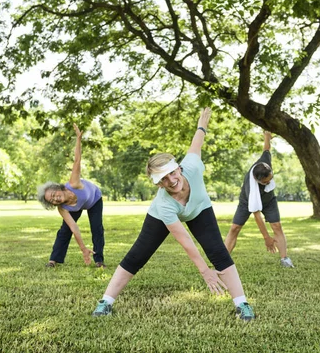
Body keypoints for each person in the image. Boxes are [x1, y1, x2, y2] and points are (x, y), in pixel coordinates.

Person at [91, 108, 255, 321]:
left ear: (178, 168)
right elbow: (185, 241)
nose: (171, 181)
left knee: (219, 252)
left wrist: (202, 125)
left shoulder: (193, 167)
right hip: (160, 217)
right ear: (158, 183)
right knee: (137, 255)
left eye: (172, 173)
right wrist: (205, 271)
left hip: (200, 208)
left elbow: (196, 144)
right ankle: (106, 301)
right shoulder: (164, 204)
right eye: (163, 180)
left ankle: (242, 304)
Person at [37, 124, 105, 268]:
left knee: (97, 228)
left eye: (54, 194)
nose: (55, 199)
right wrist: (83, 249)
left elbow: (77, 160)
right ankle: (53, 260)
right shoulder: (62, 208)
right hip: (76, 207)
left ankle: (99, 260)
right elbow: (74, 228)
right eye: (52, 200)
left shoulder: (73, 183)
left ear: (59, 188)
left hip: (94, 199)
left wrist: (78, 139)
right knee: (64, 231)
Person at [224, 130, 294, 268]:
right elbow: (257, 215)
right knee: (234, 228)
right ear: (258, 180)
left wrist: (267, 136)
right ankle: (223, 262)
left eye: (270, 179)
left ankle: (285, 259)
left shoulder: (265, 163)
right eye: (266, 182)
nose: (269, 183)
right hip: (246, 202)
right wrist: (266, 238)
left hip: (269, 200)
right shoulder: (252, 189)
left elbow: (266, 148)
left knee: (277, 226)